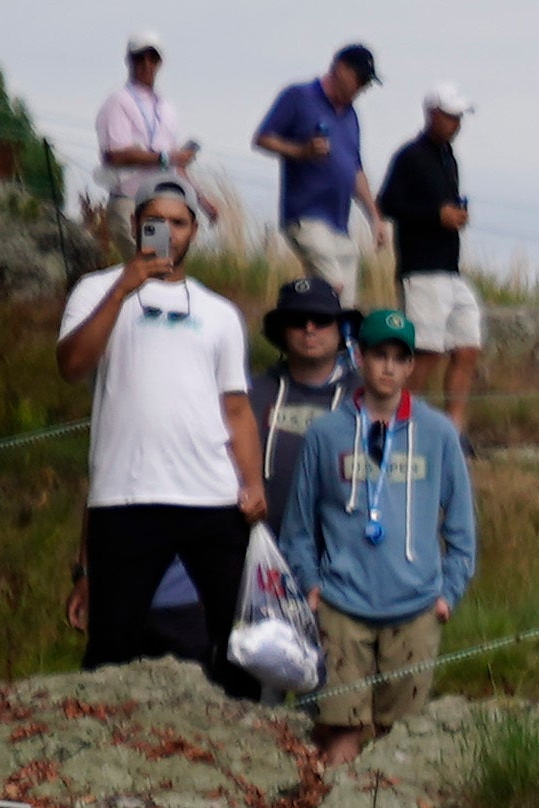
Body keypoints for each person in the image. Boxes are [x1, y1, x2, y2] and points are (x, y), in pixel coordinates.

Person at [57, 178, 265, 685]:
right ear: (135, 226)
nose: (168, 233)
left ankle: (243, 740)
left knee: (235, 638)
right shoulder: (95, 289)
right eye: (157, 221)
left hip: (210, 494)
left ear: (194, 231)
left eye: (179, 222)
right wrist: (124, 287)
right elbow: (71, 363)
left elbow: (236, 407)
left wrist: (253, 481)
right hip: (127, 495)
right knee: (113, 642)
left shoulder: (219, 313)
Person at [274, 306, 475, 774]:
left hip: (416, 608)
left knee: (399, 740)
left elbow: (461, 528)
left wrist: (448, 593)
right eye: (378, 354)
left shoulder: (439, 434)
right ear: (358, 357)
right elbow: (298, 528)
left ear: (410, 365)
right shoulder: (325, 434)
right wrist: (312, 585)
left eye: (398, 357)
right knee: (339, 733)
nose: (388, 366)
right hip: (342, 609)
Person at [378, 86, 477, 407]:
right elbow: (388, 203)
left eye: (459, 117)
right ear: (432, 114)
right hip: (421, 268)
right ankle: (398, 417)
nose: (456, 124)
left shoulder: (449, 158)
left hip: (450, 268)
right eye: (450, 116)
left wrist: (454, 216)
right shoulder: (410, 155)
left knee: (467, 347)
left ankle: (454, 431)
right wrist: (436, 216)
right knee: (427, 351)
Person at [250, 42, 378, 289]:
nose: (362, 88)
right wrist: (301, 151)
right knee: (333, 286)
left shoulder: (352, 116)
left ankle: (318, 323)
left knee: (346, 305)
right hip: (306, 216)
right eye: (360, 79)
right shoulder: (299, 96)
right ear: (340, 69)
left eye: (367, 83)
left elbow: (356, 170)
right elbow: (263, 138)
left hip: (339, 223)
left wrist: (374, 216)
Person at [248, 277, 355, 516]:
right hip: (264, 539)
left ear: (341, 328)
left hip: (340, 545)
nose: (309, 328)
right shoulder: (253, 393)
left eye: (321, 319)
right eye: (297, 321)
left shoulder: (364, 397)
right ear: (282, 331)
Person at [94, 34, 205, 252]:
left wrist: (201, 199)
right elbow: (115, 155)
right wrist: (164, 157)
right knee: (142, 268)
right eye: (140, 58)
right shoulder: (119, 101)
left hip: (159, 204)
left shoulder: (166, 108)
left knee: (157, 272)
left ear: (160, 63)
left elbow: (175, 164)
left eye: (152, 58)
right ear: (129, 61)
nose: (146, 64)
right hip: (129, 199)